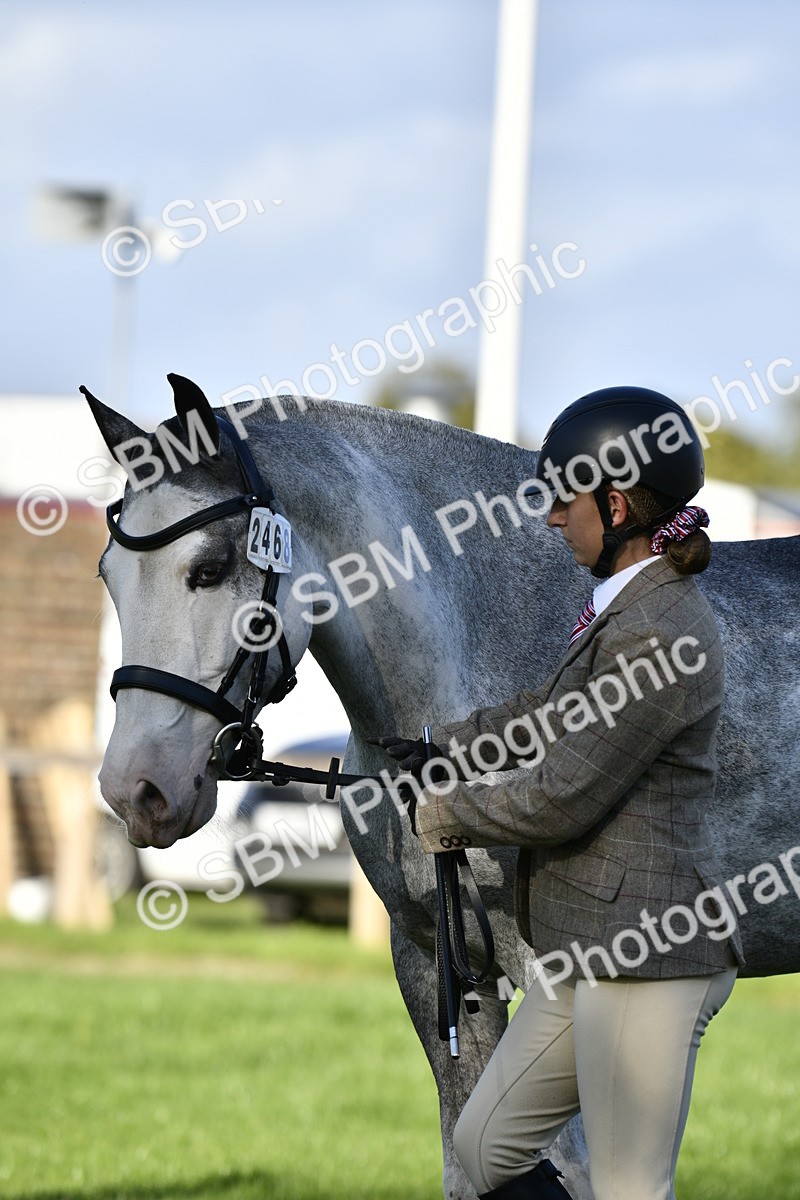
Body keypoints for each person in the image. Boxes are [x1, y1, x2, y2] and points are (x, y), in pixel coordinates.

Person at [373, 387, 744, 1200]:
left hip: (646, 950)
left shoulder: (661, 629)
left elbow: (562, 796)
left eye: (562, 498)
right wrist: (441, 746)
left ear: (616, 503)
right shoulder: (626, 609)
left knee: (629, 1188)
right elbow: (550, 714)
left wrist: (442, 815)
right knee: (485, 1148)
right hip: (585, 948)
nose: (549, 518)